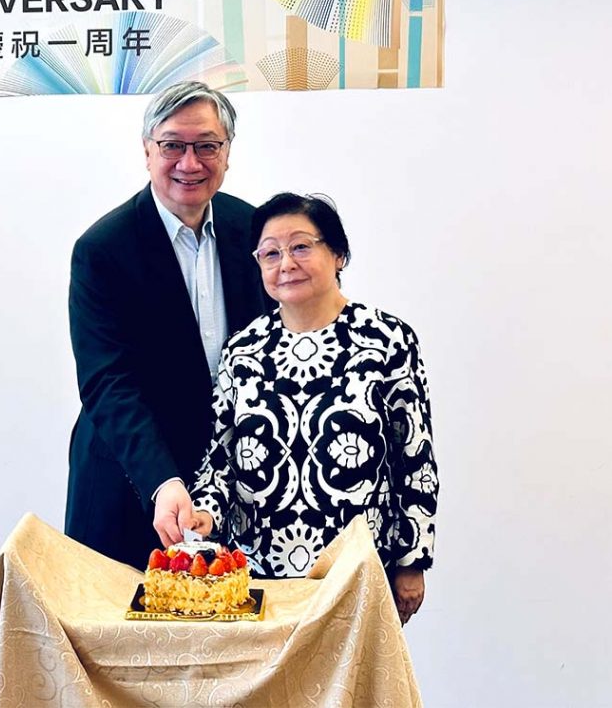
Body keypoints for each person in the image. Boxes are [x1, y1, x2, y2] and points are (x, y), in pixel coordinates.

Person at [187, 193, 439, 624]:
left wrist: (412, 561)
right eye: (270, 253)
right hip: (257, 577)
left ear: (338, 253)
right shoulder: (243, 350)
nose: (286, 263)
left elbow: (414, 457)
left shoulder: (386, 339)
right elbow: (220, 462)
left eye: (301, 246)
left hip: (355, 570)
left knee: (351, 692)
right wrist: (203, 515)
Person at [65, 81, 267, 571]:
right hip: (131, 482)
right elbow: (107, 383)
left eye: (206, 145)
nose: (189, 162)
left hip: (235, 487)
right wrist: (163, 480)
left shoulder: (257, 232)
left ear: (228, 152)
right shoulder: (103, 249)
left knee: (232, 641)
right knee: (122, 640)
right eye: (173, 145)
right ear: (147, 150)